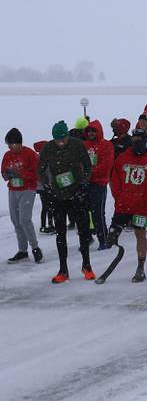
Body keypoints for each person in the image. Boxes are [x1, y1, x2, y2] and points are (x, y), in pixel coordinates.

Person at [38, 120, 94, 283]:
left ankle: (87, 266)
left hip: (77, 193)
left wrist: (83, 184)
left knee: (83, 232)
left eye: (63, 139)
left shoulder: (77, 145)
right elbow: (40, 169)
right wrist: (47, 186)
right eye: (58, 140)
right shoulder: (48, 148)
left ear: (68, 136)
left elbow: (87, 166)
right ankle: (63, 270)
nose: (61, 143)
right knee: (60, 234)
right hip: (58, 196)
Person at [106, 129, 147, 282]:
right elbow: (115, 179)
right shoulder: (123, 158)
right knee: (113, 230)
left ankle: (140, 266)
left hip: (141, 207)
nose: (136, 142)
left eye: (140, 139)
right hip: (123, 204)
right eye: (134, 140)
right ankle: (114, 234)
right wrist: (119, 196)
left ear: (144, 141)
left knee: (140, 234)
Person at [3, 128, 43, 264]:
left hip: (27, 189)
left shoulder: (30, 154)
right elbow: (3, 173)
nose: (9, 147)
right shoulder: (7, 155)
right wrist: (7, 174)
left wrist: (20, 174)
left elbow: (37, 174)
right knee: (15, 220)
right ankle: (22, 251)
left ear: (18, 143)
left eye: (10, 144)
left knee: (24, 219)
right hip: (13, 190)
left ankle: (35, 248)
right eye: (8, 144)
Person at [83, 120, 114, 250]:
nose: (91, 133)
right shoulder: (84, 145)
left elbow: (106, 165)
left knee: (98, 213)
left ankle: (103, 239)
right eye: (89, 131)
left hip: (99, 184)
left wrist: (89, 173)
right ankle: (86, 239)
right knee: (84, 213)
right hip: (85, 184)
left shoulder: (106, 145)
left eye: (93, 131)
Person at [32, 140, 55, 234]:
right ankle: (50, 225)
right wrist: (50, 184)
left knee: (45, 206)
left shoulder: (38, 158)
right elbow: (48, 174)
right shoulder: (46, 159)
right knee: (49, 206)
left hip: (40, 187)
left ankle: (43, 225)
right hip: (46, 186)